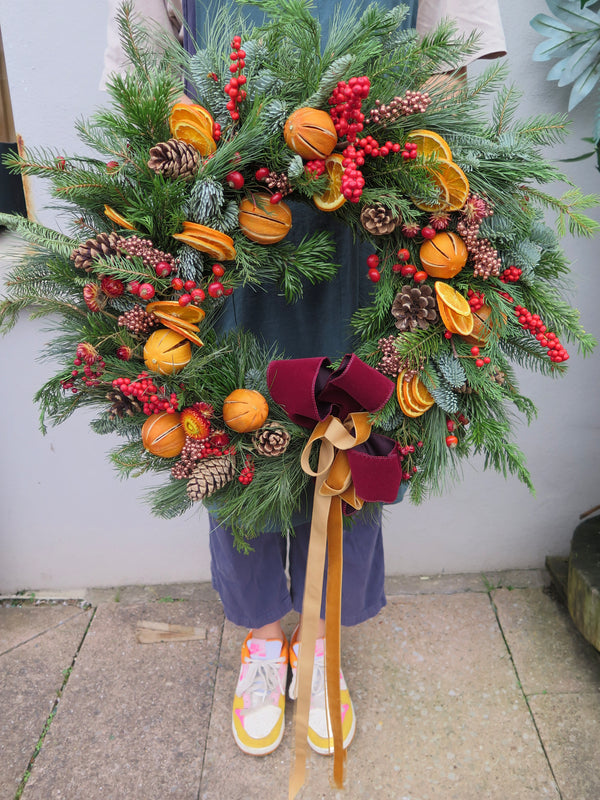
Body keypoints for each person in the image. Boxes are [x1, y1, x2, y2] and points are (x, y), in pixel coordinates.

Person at [102, 0, 506, 759]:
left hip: (365, 215)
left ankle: (321, 643)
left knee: (355, 431)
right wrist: (196, 153)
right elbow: (143, 56)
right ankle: (263, 641)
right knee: (227, 430)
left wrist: (409, 156)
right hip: (223, 211)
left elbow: (451, 57)